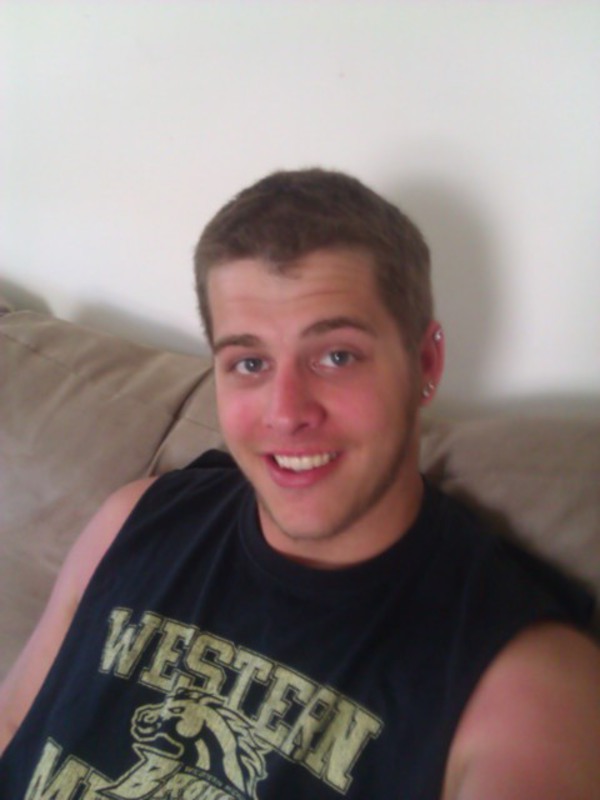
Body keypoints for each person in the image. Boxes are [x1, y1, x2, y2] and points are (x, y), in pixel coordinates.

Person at [0, 168, 599, 799]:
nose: (285, 413)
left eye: (336, 356)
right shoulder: (134, 519)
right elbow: (13, 723)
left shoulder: (523, 682)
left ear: (424, 361)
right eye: (249, 362)